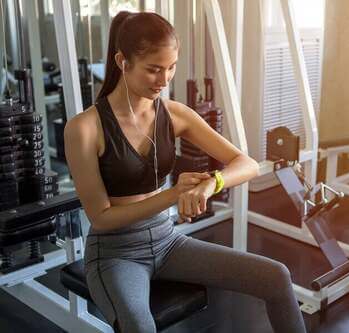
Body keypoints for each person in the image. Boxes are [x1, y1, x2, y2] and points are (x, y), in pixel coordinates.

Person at [64, 11, 306, 333]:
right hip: (115, 254)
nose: (164, 81)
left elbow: (245, 163)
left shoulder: (175, 114)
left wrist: (211, 185)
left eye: (171, 68)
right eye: (153, 70)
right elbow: (101, 217)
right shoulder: (85, 128)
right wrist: (174, 194)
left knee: (276, 277)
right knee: (139, 326)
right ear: (123, 61)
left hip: (167, 242)